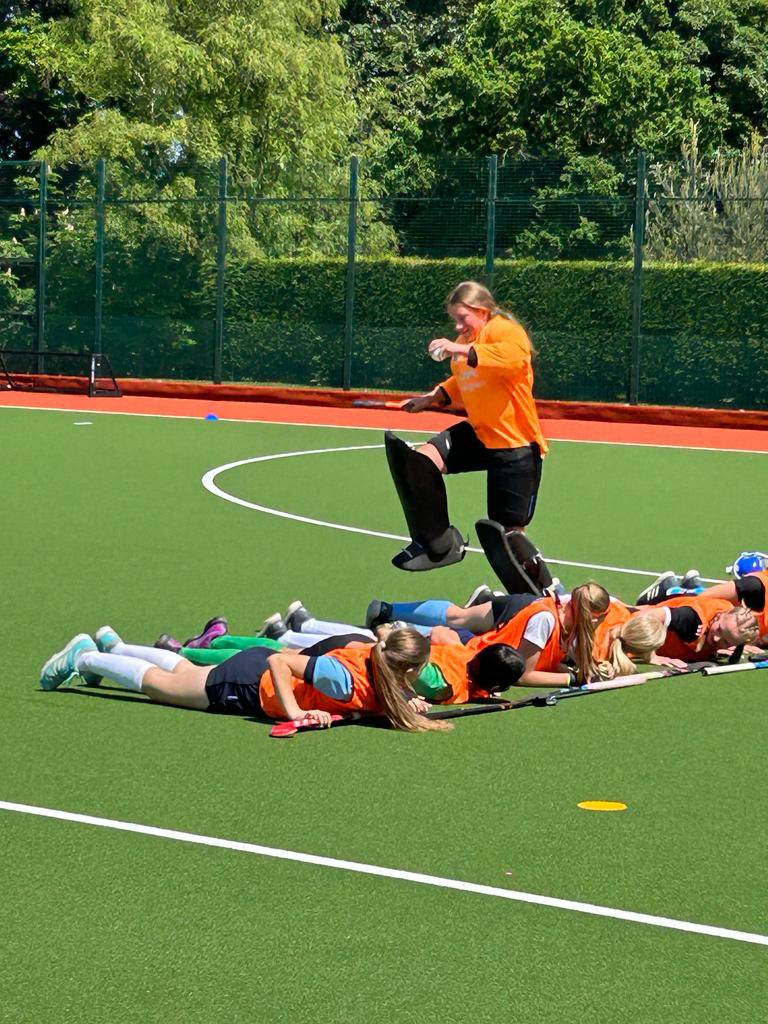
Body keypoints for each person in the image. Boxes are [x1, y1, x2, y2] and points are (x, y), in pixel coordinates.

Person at [384, 281, 552, 594]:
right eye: (455, 321)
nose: (459, 326)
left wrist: (456, 346)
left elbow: (512, 360)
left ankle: (541, 596)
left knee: (508, 535)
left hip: (515, 443)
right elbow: (463, 379)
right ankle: (440, 544)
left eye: (463, 318)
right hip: (480, 433)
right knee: (422, 461)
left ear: (482, 310)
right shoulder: (467, 340)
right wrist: (433, 397)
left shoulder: (505, 331)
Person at [38, 625, 452, 733]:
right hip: (252, 683)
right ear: (407, 668)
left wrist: (405, 699)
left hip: (250, 673)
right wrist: (299, 712)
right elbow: (282, 665)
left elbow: (381, 690)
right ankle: (88, 657)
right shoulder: (343, 679)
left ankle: (116, 646)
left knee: (184, 670)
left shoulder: (378, 660)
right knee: (164, 689)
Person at [629, 595, 760, 664]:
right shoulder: (692, 620)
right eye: (719, 629)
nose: (716, 638)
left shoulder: (734, 623)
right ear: (720, 615)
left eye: (726, 641)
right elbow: (645, 617)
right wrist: (650, 656)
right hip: (625, 626)